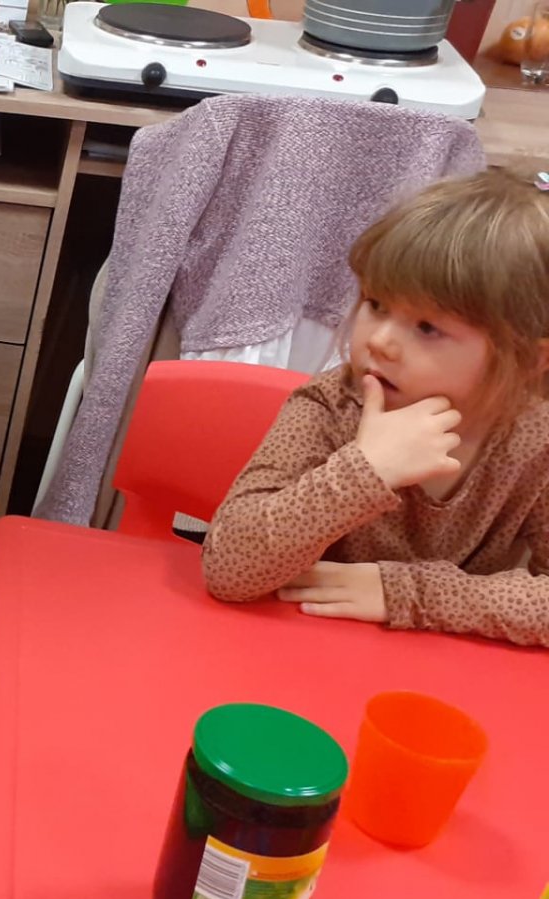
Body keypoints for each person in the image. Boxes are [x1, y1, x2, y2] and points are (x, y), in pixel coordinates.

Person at [202, 170, 549, 648]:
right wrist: (365, 470)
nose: (380, 340)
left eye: (427, 327)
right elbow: (228, 566)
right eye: (376, 303)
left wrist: (407, 593)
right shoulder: (329, 407)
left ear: (527, 360)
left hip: (436, 671)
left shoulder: (536, 440)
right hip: (297, 649)